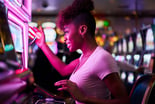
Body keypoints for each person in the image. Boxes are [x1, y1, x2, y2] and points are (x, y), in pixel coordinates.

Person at [29, 0, 130, 103]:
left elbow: (124, 101)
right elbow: (63, 69)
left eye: (67, 32)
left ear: (82, 30)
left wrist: (84, 98)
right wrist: (42, 45)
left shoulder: (102, 58)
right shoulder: (84, 58)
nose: (65, 38)